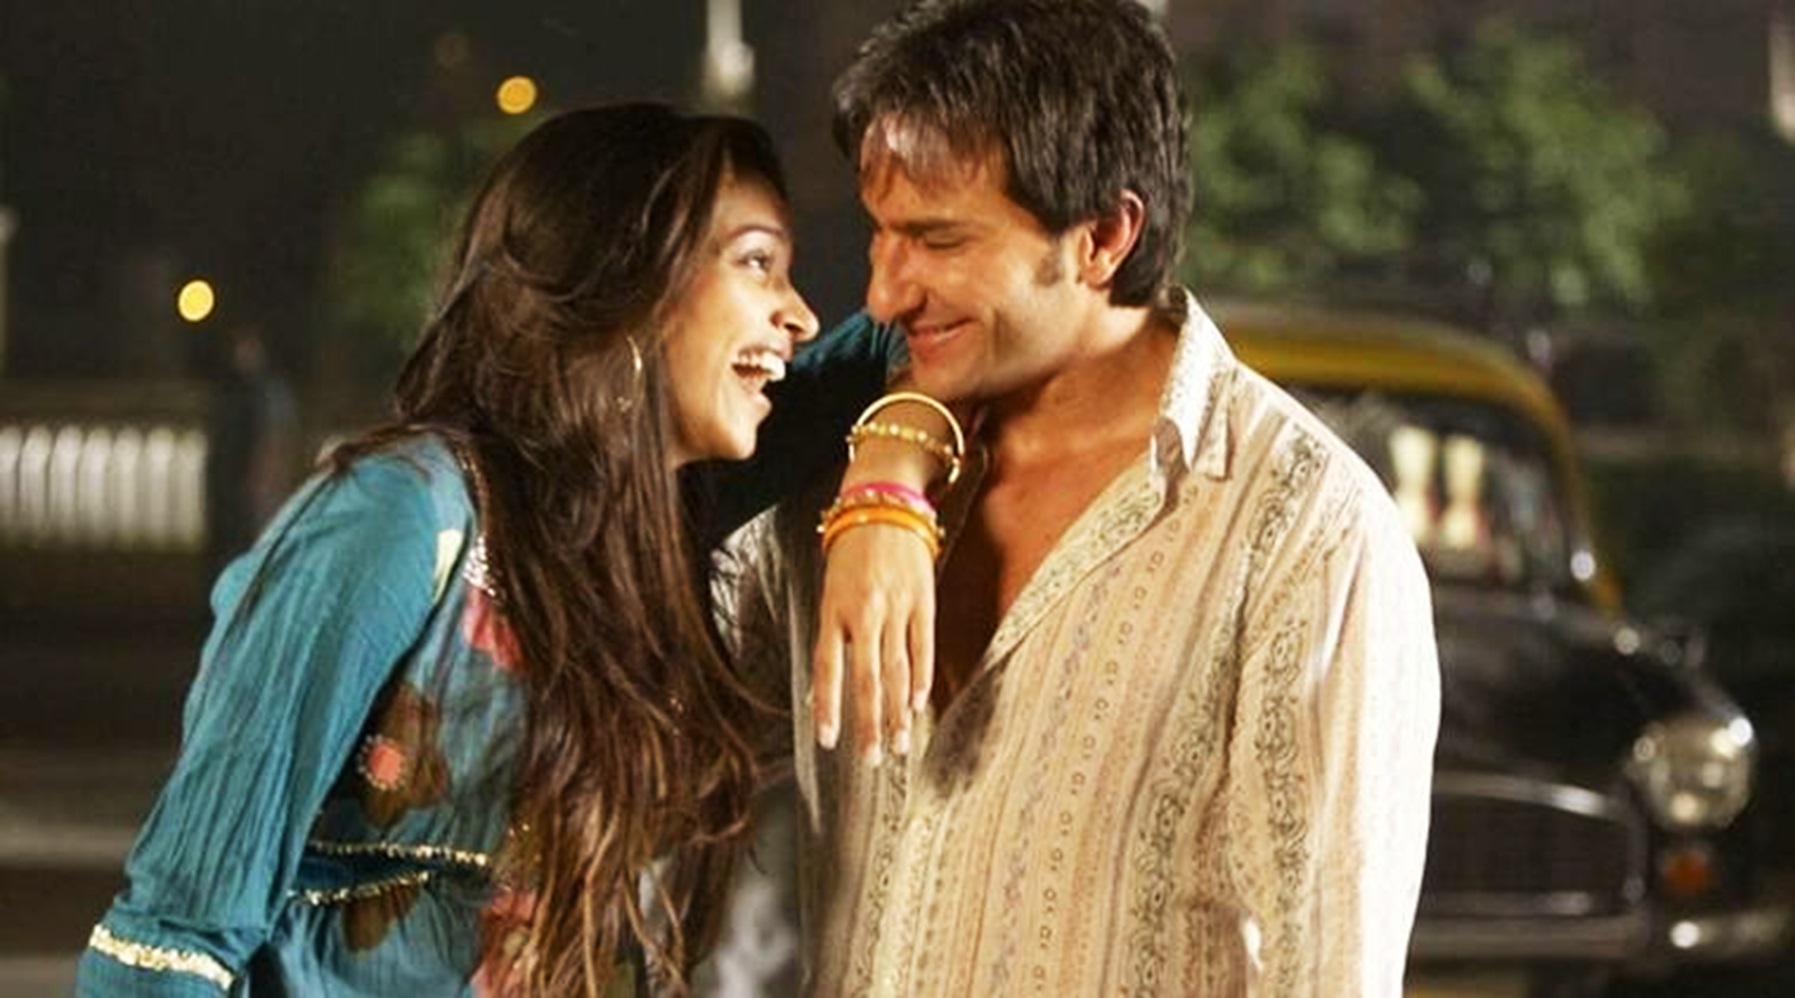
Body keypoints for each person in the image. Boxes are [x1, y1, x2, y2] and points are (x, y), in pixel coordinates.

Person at [76, 102, 937, 997]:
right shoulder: (401, 515)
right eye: (757, 264)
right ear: (627, 284)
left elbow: (906, 331)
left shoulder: (646, 520)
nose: (800, 316)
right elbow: (175, 935)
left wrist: (886, 492)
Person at [725, 1, 1442, 994]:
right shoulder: (837, 472)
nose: (884, 293)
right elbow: (652, 712)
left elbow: (1328, 970)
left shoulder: (1304, 533)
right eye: (880, 234)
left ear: (1103, 236)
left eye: (937, 240)